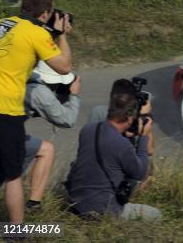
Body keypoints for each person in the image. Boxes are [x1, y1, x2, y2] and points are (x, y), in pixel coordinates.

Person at [0, 0, 72, 223]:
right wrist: (62, 35)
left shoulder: (0, 23)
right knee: (13, 176)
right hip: (5, 110)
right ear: (46, 13)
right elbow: (64, 67)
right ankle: (16, 232)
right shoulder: (37, 33)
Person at [66, 90, 161, 220]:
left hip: (76, 203)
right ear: (129, 119)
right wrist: (143, 136)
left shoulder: (88, 129)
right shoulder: (121, 144)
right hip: (104, 210)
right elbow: (140, 173)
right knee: (156, 215)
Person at [23, 61, 82, 210]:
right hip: (4, 134)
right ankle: (33, 205)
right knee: (46, 151)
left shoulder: (23, 79)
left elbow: (51, 107)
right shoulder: (39, 91)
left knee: (44, 149)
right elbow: (66, 120)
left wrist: (62, 93)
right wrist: (73, 95)